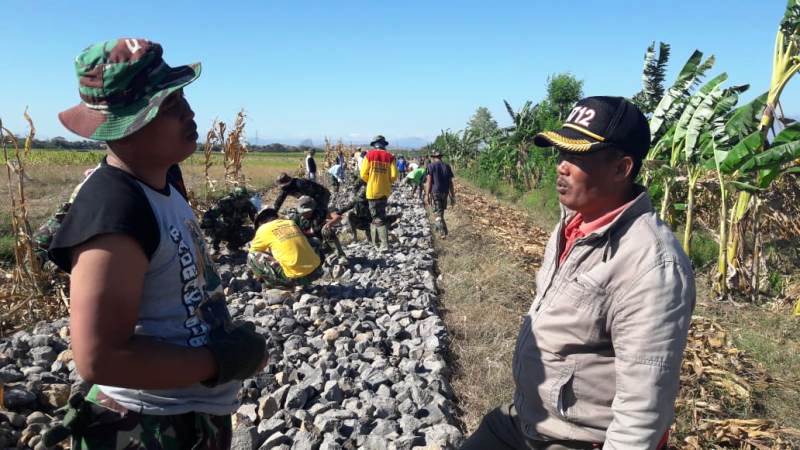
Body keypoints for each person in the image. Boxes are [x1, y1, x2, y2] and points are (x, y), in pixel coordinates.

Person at [45, 38, 266, 449]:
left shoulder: (163, 185)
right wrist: (220, 361)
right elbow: (100, 358)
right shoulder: (115, 211)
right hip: (148, 427)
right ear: (129, 124)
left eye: (182, 98)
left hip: (184, 414)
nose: (190, 112)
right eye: (171, 105)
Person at [460, 96, 696, 450]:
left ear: (621, 168)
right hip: (531, 421)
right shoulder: (571, 225)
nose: (561, 167)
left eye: (577, 157)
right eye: (560, 154)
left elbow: (643, 409)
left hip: (578, 439)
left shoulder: (651, 265)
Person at [247, 208, 322, 289]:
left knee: (251, 256)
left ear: (261, 221)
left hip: (295, 278)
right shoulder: (290, 223)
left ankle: (269, 284)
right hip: (315, 272)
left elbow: (253, 250)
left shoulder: (263, 229)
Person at [360, 135, 397, 249]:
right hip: (385, 191)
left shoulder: (369, 155)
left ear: (374, 145)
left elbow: (362, 174)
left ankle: (384, 245)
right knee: (380, 215)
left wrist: (370, 180)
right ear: (384, 145)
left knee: (376, 217)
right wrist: (386, 181)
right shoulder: (390, 157)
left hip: (372, 191)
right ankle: (375, 242)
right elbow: (394, 176)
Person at [334, 177, 400, 241]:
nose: (361, 197)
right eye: (361, 195)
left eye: (363, 196)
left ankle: (389, 228)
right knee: (350, 215)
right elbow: (346, 208)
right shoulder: (357, 200)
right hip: (361, 222)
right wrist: (337, 213)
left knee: (372, 239)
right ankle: (355, 236)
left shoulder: (372, 202)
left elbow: (380, 215)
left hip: (371, 224)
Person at [200, 186, 258, 252]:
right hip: (223, 230)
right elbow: (209, 215)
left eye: (243, 198)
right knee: (218, 226)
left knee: (252, 232)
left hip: (235, 230)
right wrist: (208, 225)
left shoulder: (248, 204)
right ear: (233, 197)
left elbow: (257, 219)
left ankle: (232, 246)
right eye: (239, 198)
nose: (241, 201)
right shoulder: (224, 203)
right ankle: (214, 247)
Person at [425, 151, 455, 237]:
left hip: (435, 192)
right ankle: (439, 228)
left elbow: (429, 181)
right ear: (441, 157)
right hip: (445, 192)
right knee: (440, 212)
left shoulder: (431, 166)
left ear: (433, 157)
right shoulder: (447, 166)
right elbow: (450, 183)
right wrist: (452, 195)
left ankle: (443, 232)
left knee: (437, 213)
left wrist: (426, 195)